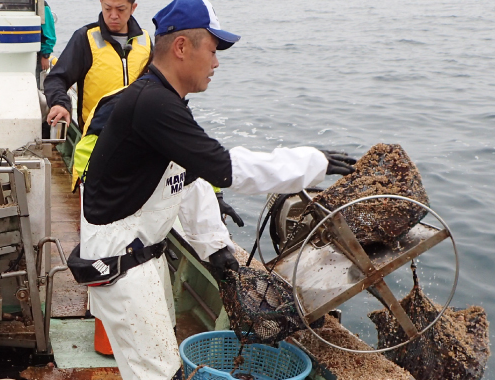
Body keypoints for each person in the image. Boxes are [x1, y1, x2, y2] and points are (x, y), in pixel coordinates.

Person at [72, 0, 357, 378]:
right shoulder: (153, 104)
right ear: (181, 48)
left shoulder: (165, 101)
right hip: (122, 268)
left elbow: (187, 181)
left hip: (141, 258)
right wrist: (311, 164)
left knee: (157, 367)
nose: (217, 62)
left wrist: (215, 247)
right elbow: (225, 168)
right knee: (158, 373)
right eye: (212, 50)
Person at [42, 0, 152, 189]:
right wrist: (60, 103)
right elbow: (56, 79)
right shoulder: (85, 38)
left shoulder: (147, 42)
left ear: (133, 8)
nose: (113, 15)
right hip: (97, 141)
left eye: (120, 9)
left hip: (138, 142)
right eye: (108, 8)